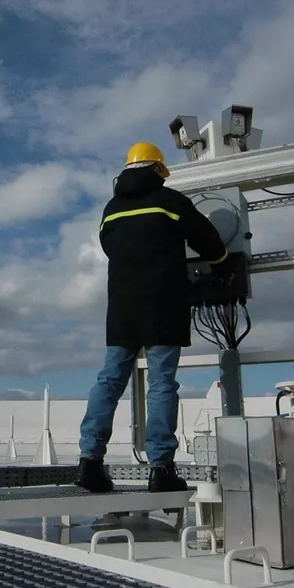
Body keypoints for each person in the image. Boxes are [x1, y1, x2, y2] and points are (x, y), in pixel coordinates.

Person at [76, 141, 234, 493]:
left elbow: (108, 246)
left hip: (121, 308)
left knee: (109, 381)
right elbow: (206, 238)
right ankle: (161, 469)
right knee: (162, 384)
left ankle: (89, 461)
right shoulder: (171, 201)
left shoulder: (112, 208)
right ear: (157, 170)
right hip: (163, 304)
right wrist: (224, 265)